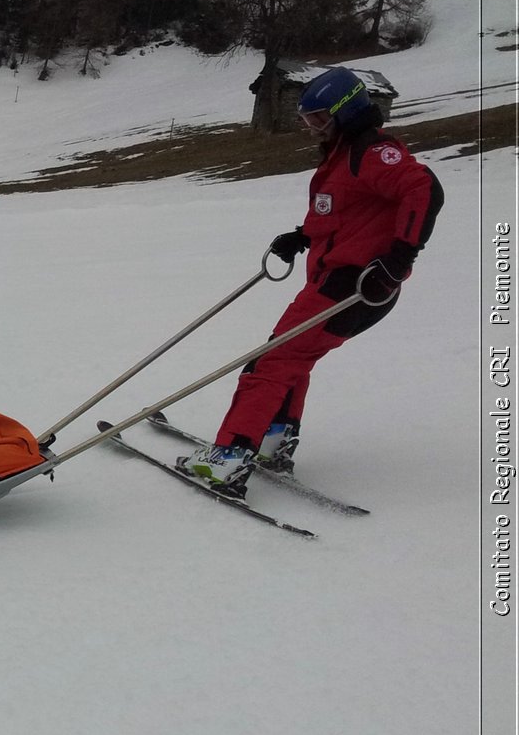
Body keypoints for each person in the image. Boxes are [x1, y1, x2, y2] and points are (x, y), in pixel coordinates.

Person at [182, 67, 443, 495]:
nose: (311, 128)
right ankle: (273, 438)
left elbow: (424, 190)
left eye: (319, 118)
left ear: (347, 112)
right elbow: (343, 212)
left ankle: (229, 457)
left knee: (270, 362)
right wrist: (301, 236)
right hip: (338, 282)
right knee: (291, 358)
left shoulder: (373, 153)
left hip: (353, 286)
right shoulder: (343, 153)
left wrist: (399, 259)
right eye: (307, 120)